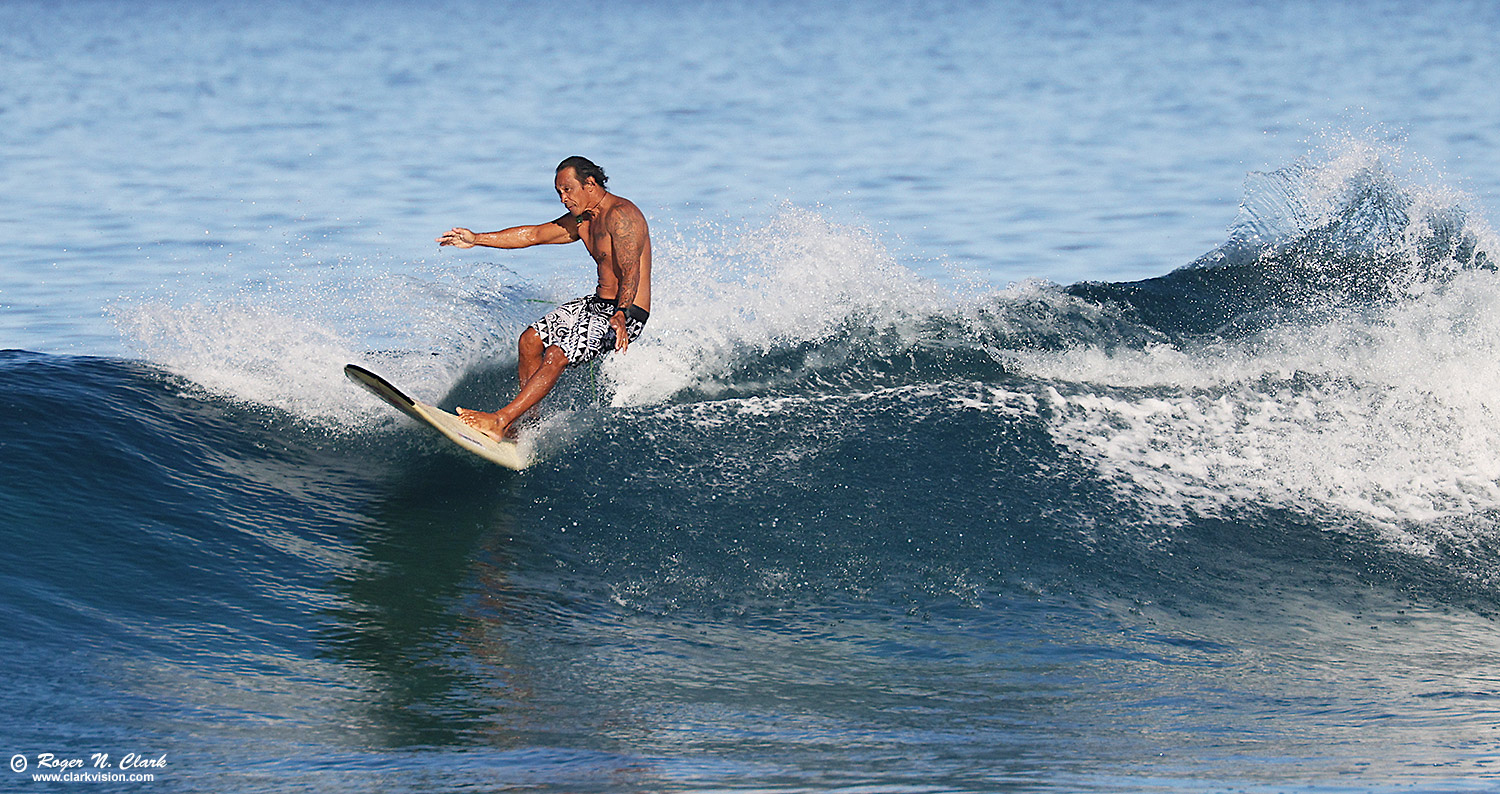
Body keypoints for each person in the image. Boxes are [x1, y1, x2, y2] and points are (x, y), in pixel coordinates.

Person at [435, 157, 652, 441]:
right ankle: (526, 422)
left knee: (556, 354)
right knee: (529, 340)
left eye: (568, 190)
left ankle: (501, 420)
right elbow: (534, 235)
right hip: (598, 304)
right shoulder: (584, 219)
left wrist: (621, 313)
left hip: (627, 312)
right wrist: (477, 238)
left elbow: (630, 269)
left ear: (590, 184)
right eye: (559, 192)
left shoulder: (621, 215)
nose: (563, 199)